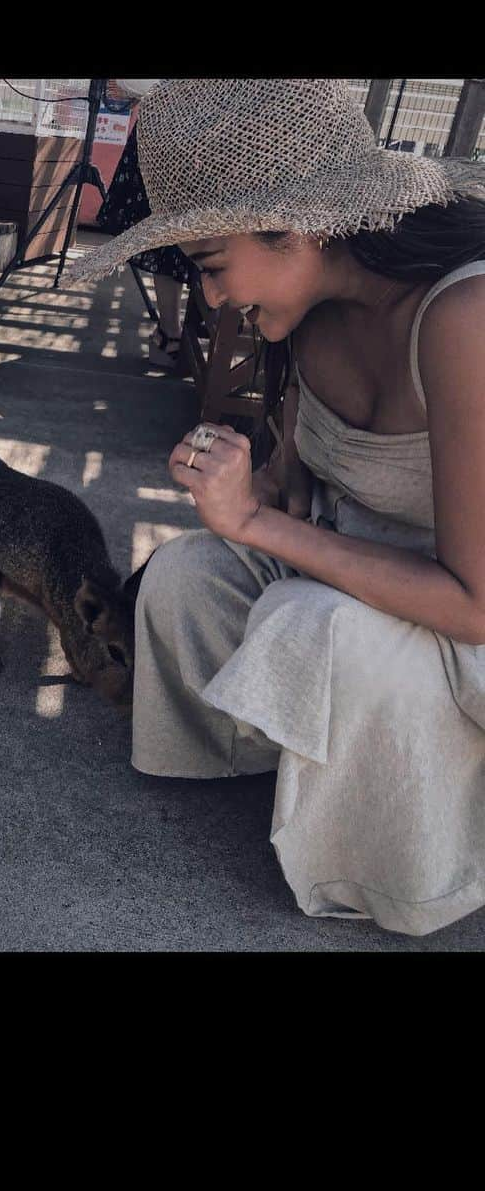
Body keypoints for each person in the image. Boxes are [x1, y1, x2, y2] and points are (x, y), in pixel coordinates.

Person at [67, 78, 485, 937]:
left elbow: (474, 607)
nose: (214, 300)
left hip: (459, 624)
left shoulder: (463, 318)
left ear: (296, 226)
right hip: (355, 580)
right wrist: (246, 488)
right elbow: (302, 489)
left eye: (212, 267)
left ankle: (393, 862)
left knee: (310, 623)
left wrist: (258, 525)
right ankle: (270, 766)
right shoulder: (310, 315)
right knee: (185, 575)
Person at [96, 89, 199, 370]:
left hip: (172, 124)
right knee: (176, 230)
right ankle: (178, 332)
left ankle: (171, 333)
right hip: (205, 128)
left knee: (166, 230)